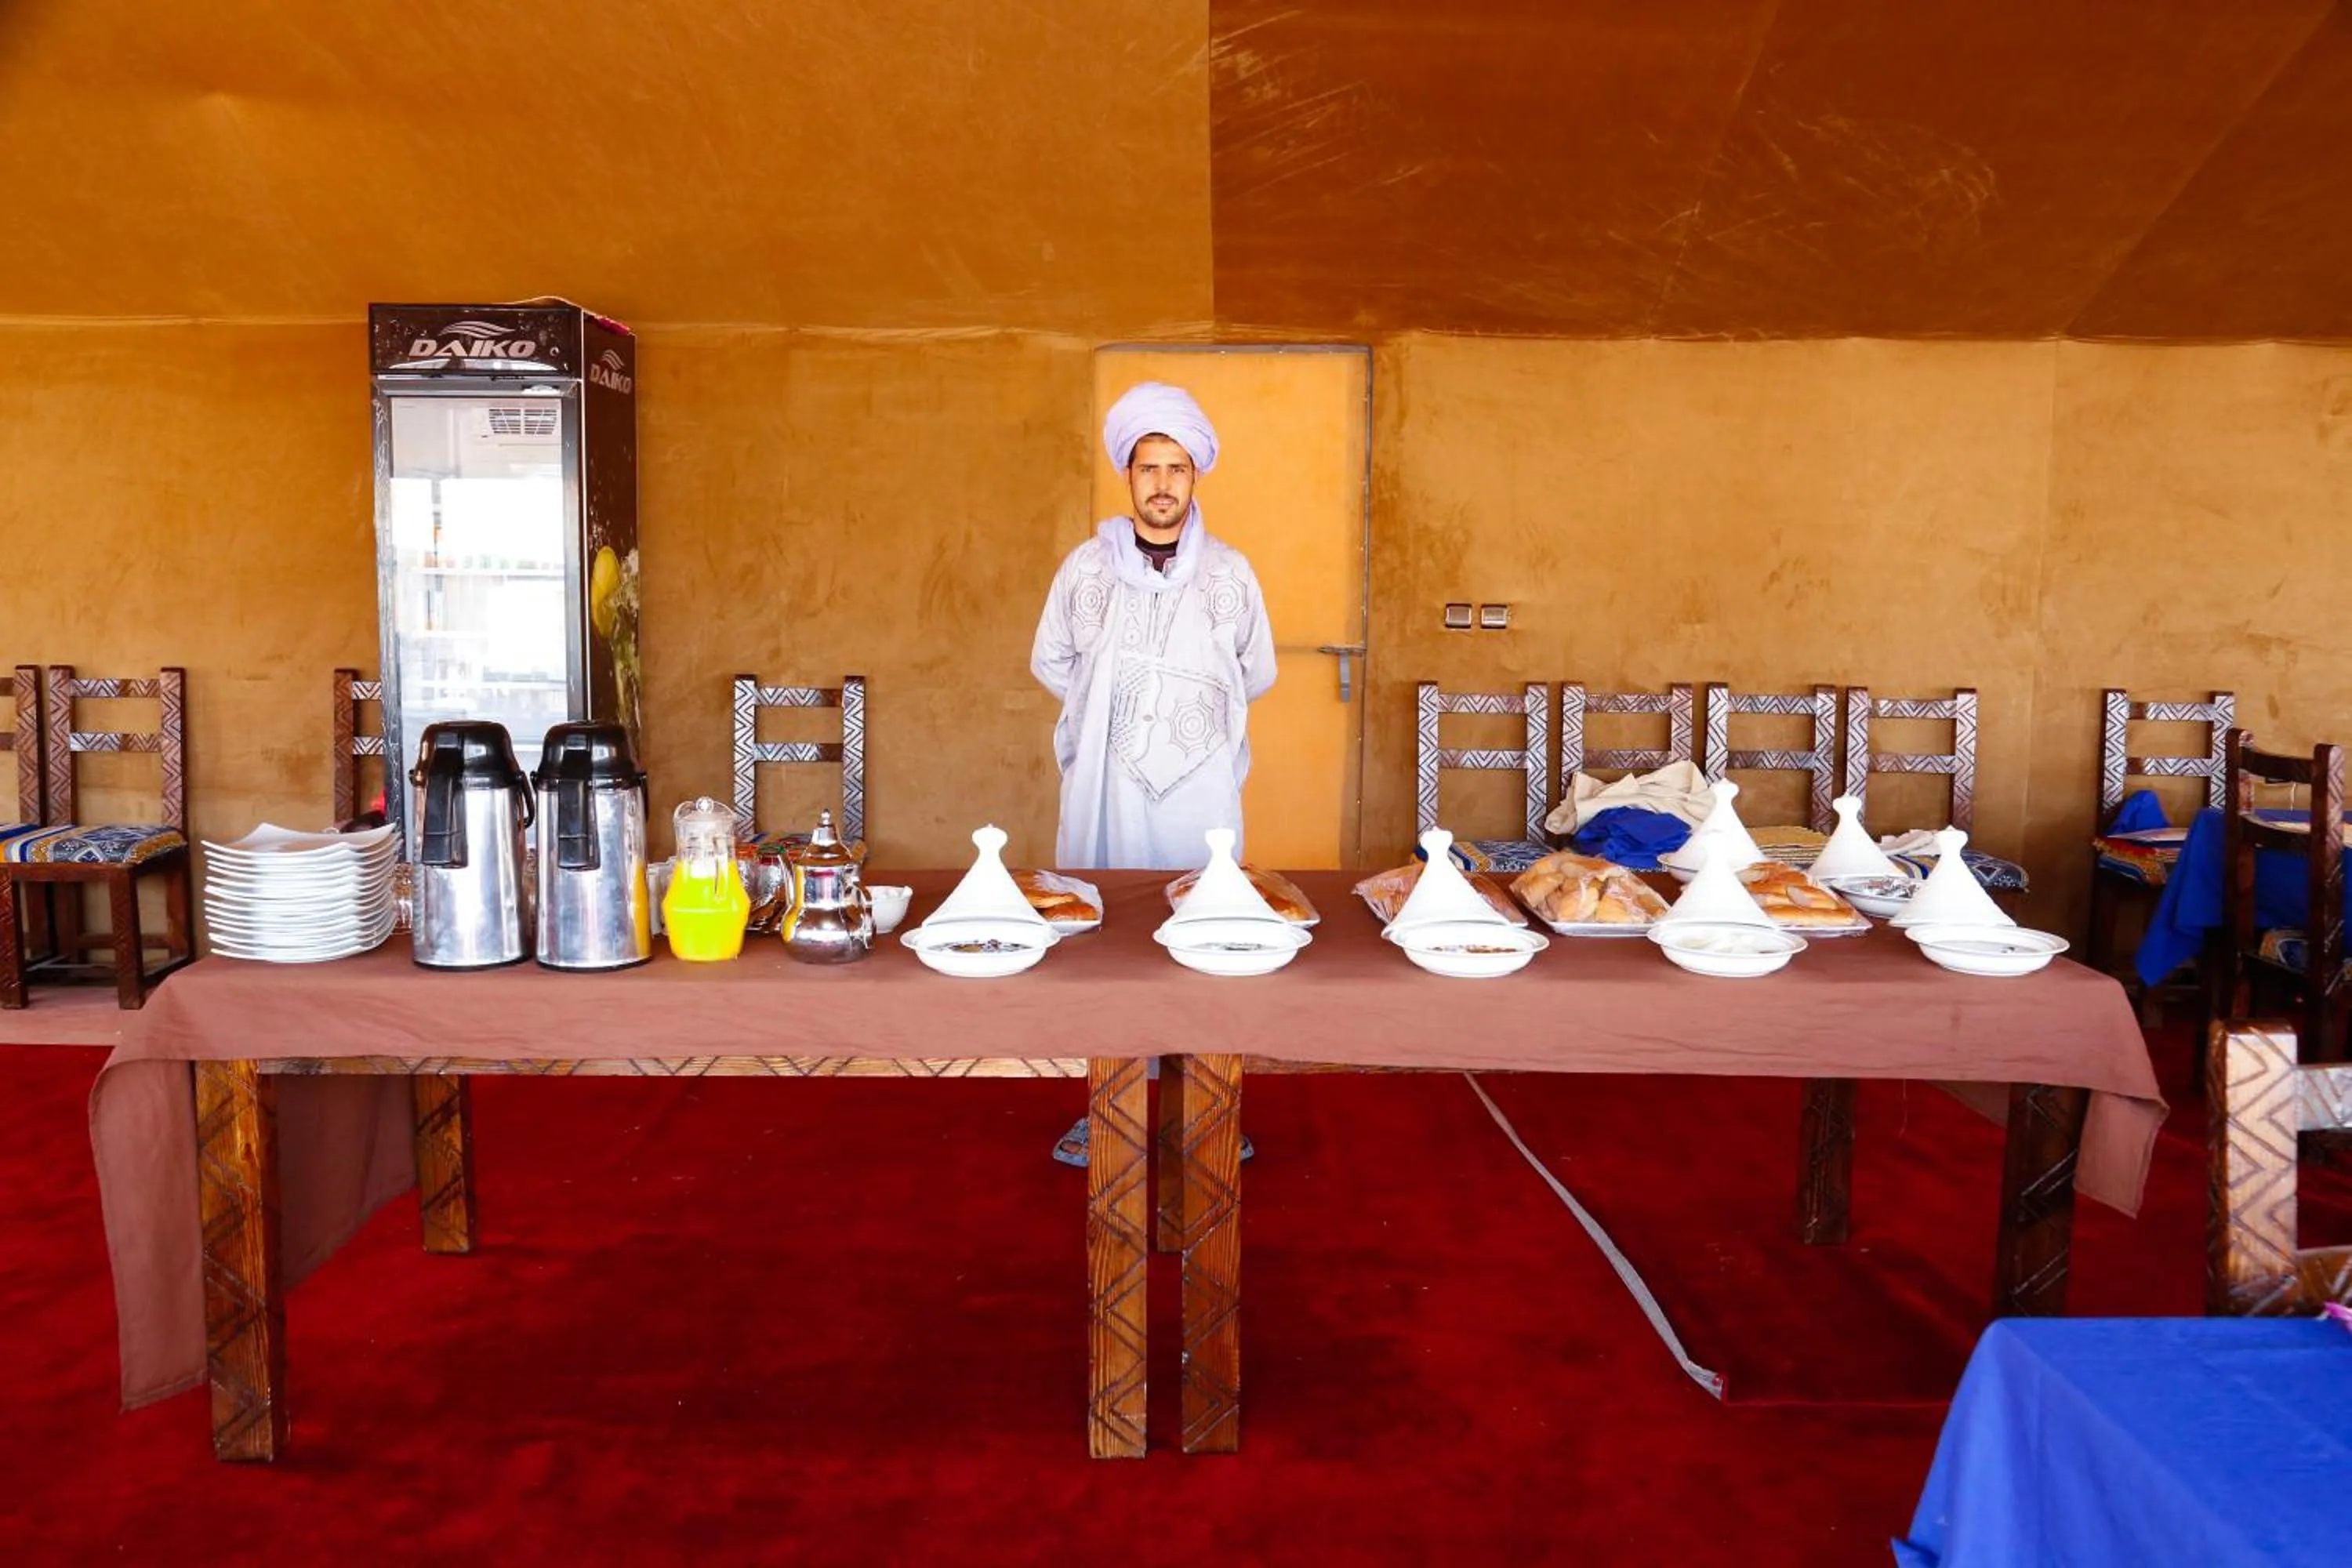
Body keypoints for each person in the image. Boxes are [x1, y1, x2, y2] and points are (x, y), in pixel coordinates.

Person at [1032, 381, 1275, 1165]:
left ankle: (1207, 1111)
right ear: (1127, 476)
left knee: (1205, 936)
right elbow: (1050, 659)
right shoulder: (1085, 569)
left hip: (1200, 793)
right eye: (1149, 467)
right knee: (1107, 943)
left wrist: (1183, 708)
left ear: (1196, 475)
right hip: (1104, 789)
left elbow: (1257, 670)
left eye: (1177, 467)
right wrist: (1115, 709)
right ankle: (1106, 1110)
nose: (1163, 483)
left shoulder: (1231, 573)